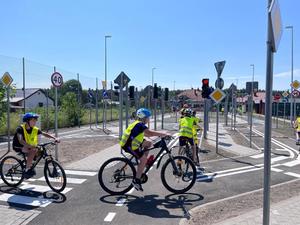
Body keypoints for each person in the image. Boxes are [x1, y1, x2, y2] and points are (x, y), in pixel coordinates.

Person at [120, 108, 169, 191]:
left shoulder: (138, 124)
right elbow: (150, 133)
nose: (148, 119)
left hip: (132, 142)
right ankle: (136, 180)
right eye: (147, 117)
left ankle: (142, 164)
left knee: (149, 144)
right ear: (143, 117)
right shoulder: (139, 124)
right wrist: (163, 134)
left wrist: (160, 134)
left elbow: (147, 134)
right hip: (129, 145)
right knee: (143, 159)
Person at [12, 112, 59, 178]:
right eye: (33, 120)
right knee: (33, 150)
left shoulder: (35, 129)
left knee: (40, 151)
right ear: (27, 121)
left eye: (35, 120)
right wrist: (30, 146)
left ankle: (29, 162)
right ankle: (27, 169)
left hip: (28, 146)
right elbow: (21, 141)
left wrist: (54, 138)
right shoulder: (20, 129)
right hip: (18, 146)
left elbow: (44, 134)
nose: (35, 122)